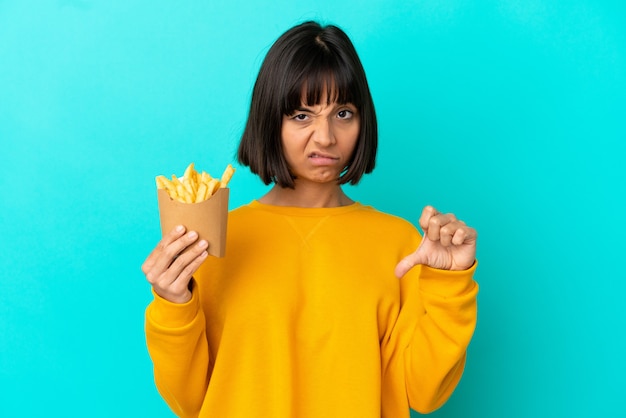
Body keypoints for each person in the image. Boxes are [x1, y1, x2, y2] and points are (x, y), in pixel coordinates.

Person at [142, 20, 478, 418]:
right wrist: (173, 302)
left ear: (362, 120)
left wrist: (451, 284)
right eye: (302, 116)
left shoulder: (403, 246)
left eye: (343, 113)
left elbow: (422, 393)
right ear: (271, 121)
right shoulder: (214, 239)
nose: (325, 137)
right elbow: (189, 400)